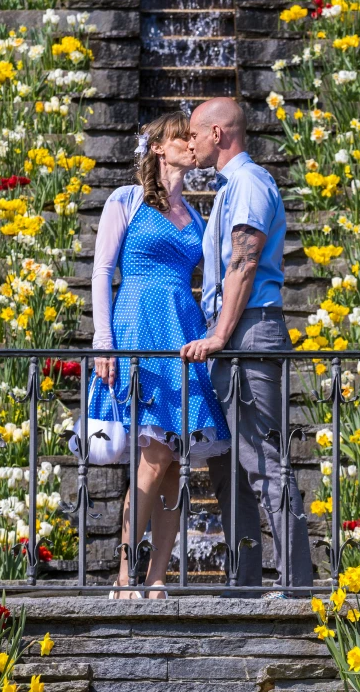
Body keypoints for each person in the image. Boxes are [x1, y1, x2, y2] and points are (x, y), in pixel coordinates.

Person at [90, 111, 229, 599]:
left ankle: (156, 577)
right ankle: (126, 574)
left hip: (182, 330)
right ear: (157, 148)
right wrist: (103, 344)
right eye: (181, 138)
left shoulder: (197, 217)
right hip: (139, 326)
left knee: (175, 460)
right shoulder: (125, 201)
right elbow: (103, 271)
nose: (192, 145)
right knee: (153, 456)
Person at [180, 97, 313, 594]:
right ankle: (246, 582)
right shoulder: (230, 187)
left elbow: (244, 262)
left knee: (263, 461)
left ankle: (296, 584)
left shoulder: (251, 184)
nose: (188, 142)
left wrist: (218, 334)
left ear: (218, 134)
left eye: (194, 132)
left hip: (249, 332)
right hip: (233, 334)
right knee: (228, 466)